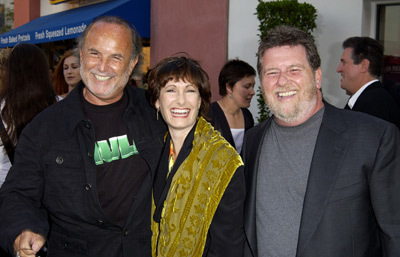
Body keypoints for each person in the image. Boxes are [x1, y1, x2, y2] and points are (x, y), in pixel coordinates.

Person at [0, 16, 166, 257]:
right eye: (95, 54)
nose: (102, 66)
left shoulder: (157, 112)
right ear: (81, 55)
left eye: (115, 57)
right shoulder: (44, 127)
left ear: (132, 64)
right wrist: (23, 229)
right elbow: (18, 193)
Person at [242, 26, 400, 257]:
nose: (282, 81)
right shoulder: (252, 140)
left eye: (294, 70)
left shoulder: (373, 138)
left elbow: (394, 233)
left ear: (317, 76)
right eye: (271, 72)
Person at [147, 56, 245, 257]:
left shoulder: (224, 161)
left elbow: (228, 246)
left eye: (190, 90)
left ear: (200, 100)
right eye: (171, 90)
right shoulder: (152, 149)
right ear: (157, 100)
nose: (181, 100)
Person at [0, 43, 58, 188]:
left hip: (7, 189)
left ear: (10, 71)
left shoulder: (3, 108)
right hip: (51, 188)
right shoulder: (61, 105)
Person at [337, 36, 400, 129]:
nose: (338, 69)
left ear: (364, 66)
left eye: (344, 62)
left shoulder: (373, 105)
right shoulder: (373, 99)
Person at [208, 59, 255, 153]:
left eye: (253, 86)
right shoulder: (209, 115)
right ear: (229, 87)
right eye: (247, 87)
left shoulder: (247, 116)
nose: (252, 92)